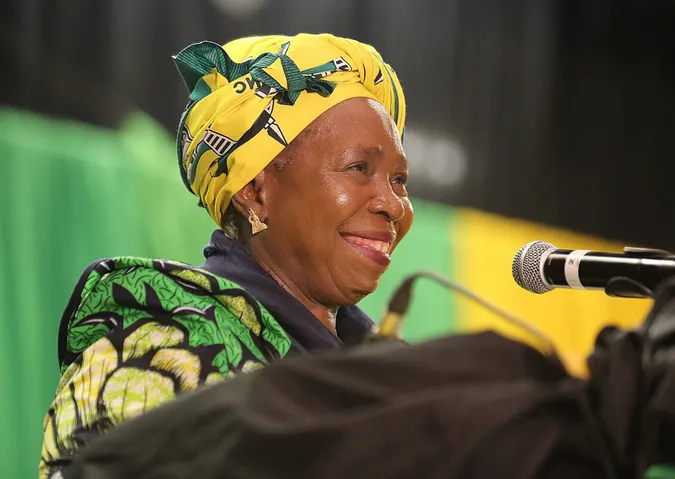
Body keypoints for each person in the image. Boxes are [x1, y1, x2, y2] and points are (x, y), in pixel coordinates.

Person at [39, 33, 412, 478]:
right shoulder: (158, 351)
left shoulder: (390, 375)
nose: (394, 205)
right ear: (254, 192)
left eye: (399, 179)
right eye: (358, 168)